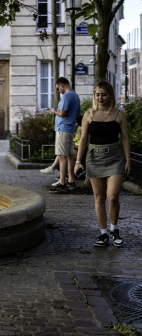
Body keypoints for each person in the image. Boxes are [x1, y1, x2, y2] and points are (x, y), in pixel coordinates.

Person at [75, 80, 130, 248]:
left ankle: (114, 229)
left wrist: (128, 160)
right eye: (97, 95)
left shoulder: (119, 114)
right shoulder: (88, 115)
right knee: (99, 197)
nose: (100, 98)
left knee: (112, 197)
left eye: (103, 95)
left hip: (115, 157)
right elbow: (83, 139)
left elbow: (125, 138)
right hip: (94, 157)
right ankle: (103, 233)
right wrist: (78, 161)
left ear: (110, 95)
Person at [46, 77, 80, 193]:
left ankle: (62, 183)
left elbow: (62, 113)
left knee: (61, 156)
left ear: (61, 85)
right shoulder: (75, 95)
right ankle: (71, 181)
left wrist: (53, 111)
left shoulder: (66, 96)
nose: (58, 91)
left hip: (63, 128)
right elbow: (78, 114)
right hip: (70, 128)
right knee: (70, 155)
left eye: (57, 88)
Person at [42, 115, 85, 182]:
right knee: (64, 152)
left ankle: (54, 169)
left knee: (65, 152)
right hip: (74, 149)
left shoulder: (79, 130)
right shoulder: (72, 130)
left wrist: (71, 145)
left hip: (80, 151)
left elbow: (81, 145)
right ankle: (63, 175)